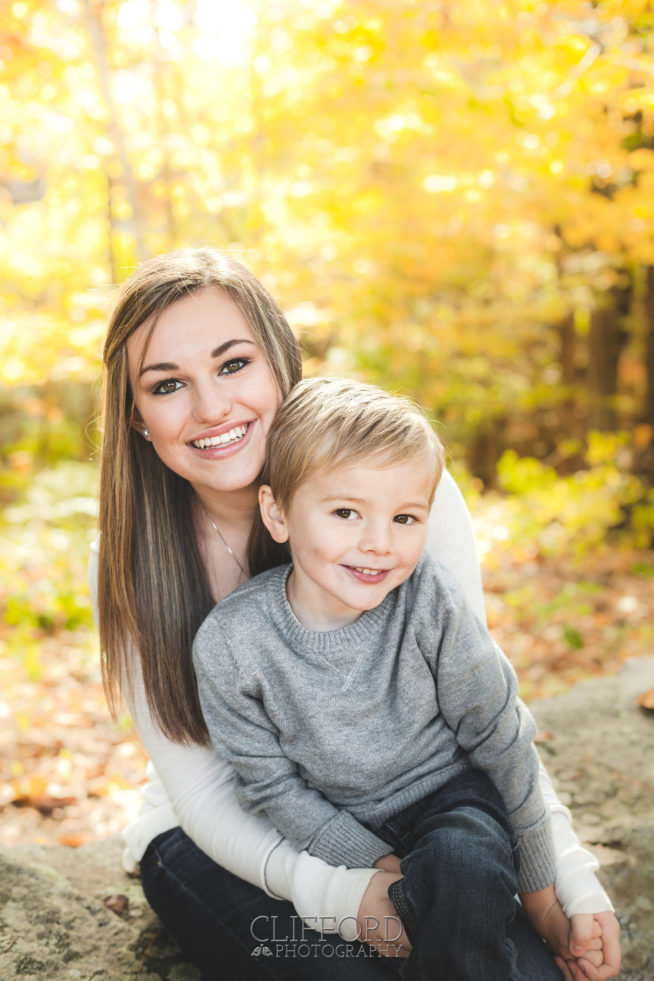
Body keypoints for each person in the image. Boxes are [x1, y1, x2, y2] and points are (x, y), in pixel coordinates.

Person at [91, 246, 620, 981]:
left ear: (281, 363)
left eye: (234, 364)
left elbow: (487, 720)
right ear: (139, 418)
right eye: (168, 383)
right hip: (231, 836)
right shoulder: (127, 559)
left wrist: (566, 879)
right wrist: (347, 894)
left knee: (521, 967)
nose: (211, 407)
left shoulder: (400, 502)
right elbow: (212, 794)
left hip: (423, 803)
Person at [191, 377, 613, 980]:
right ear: (277, 512)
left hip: (453, 803)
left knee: (463, 864)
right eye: (345, 512)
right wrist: (377, 866)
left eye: (405, 517)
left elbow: (501, 735)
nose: (379, 544)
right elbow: (270, 786)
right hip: (342, 826)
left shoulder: (428, 599)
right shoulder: (233, 644)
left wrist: (546, 890)